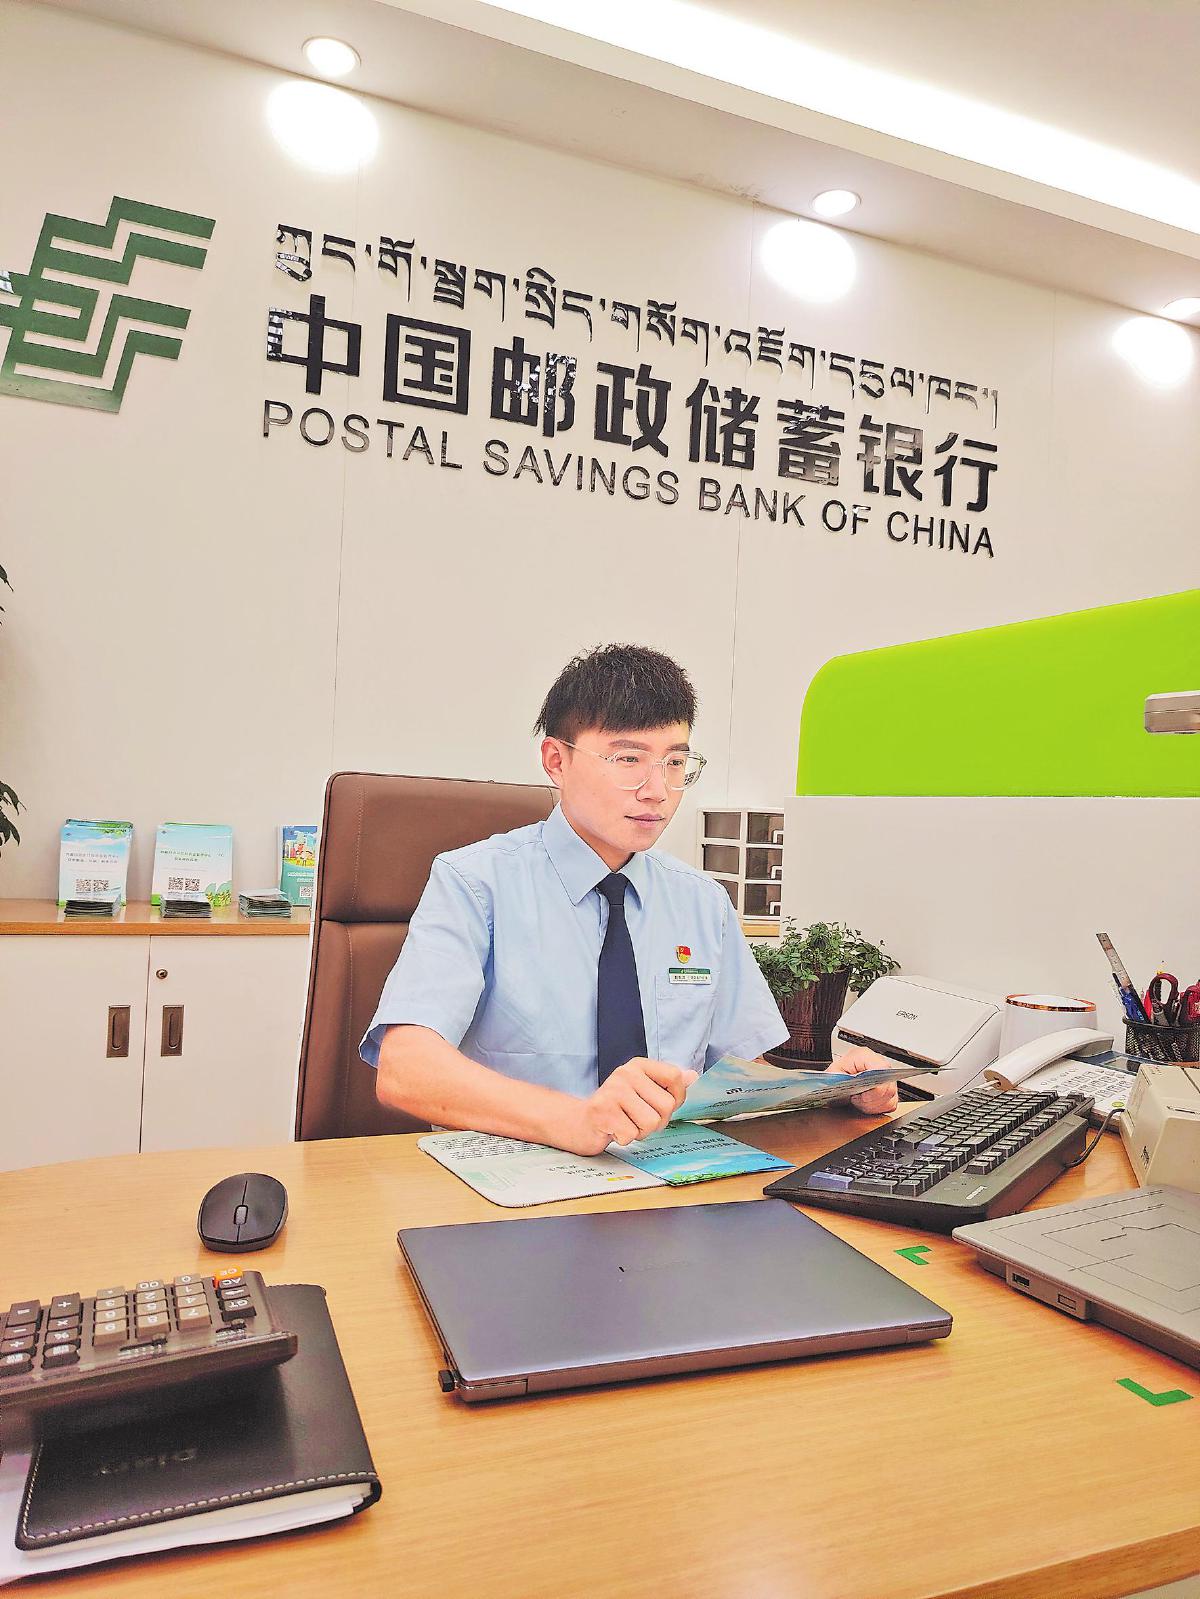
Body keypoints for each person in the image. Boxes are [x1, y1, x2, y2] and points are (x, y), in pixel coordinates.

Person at [362, 643, 898, 1155]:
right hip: (512, 1177)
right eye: (627, 759)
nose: (657, 790)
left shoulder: (702, 903)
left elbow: (740, 1076)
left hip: (671, 1176)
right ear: (556, 760)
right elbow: (406, 1070)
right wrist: (576, 1120)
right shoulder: (475, 883)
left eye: (675, 763)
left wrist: (827, 1093)